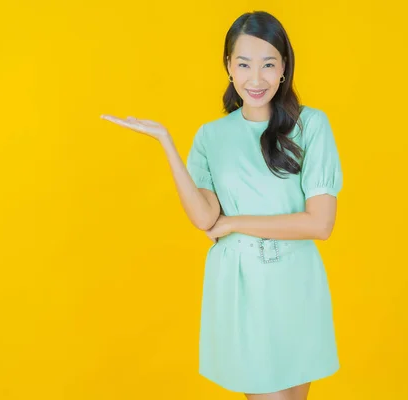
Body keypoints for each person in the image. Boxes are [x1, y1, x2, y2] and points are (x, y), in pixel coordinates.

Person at [100, 10, 343, 400]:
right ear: (229, 67)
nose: (256, 78)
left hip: (296, 282)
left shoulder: (311, 126)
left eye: (268, 64)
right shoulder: (212, 137)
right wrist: (167, 143)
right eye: (244, 64)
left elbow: (320, 224)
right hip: (242, 285)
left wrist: (234, 224)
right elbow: (205, 217)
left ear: (284, 68)